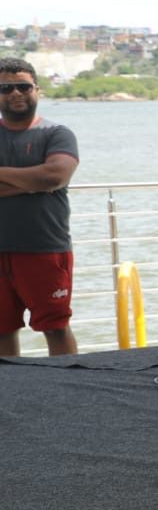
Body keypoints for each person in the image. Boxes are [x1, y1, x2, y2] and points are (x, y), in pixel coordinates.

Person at [0, 58, 80, 357]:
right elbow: (42, 180)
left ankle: (70, 392)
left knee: (56, 327)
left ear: (37, 89)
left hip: (44, 248)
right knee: (1, 329)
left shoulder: (57, 133)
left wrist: (40, 180)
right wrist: (31, 182)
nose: (15, 93)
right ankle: (10, 396)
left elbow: (54, 176)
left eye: (23, 86)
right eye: (6, 88)